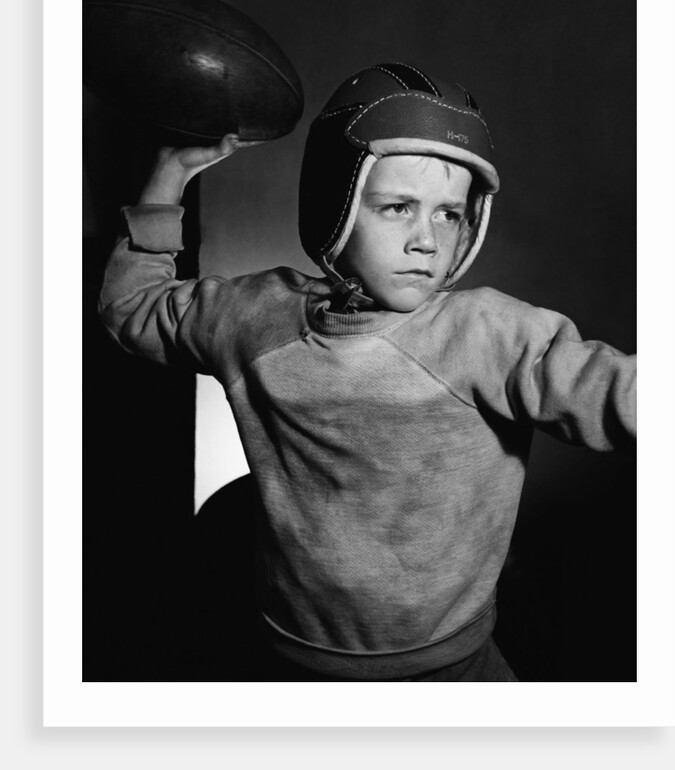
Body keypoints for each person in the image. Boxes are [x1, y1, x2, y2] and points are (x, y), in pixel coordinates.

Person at [99, 62, 636, 681]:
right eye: (398, 207)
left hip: (453, 671)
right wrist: (171, 171)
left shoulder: (489, 334)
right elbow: (130, 309)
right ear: (336, 205)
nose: (427, 241)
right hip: (288, 661)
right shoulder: (252, 317)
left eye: (449, 215)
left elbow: (622, 392)